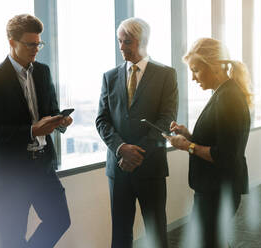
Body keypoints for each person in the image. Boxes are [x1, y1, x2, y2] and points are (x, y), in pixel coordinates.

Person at [0, 14, 72, 248]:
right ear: (12, 41)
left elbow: (50, 109)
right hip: (10, 171)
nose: (35, 49)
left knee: (60, 220)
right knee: (12, 239)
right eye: (30, 44)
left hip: (42, 165)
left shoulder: (43, 72)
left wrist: (60, 120)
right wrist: (32, 130)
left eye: (38, 44)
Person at [96, 17, 178, 248]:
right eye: (119, 41)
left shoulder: (166, 75)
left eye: (127, 42)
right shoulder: (109, 77)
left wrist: (137, 153)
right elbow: (102, 120)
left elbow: (166, 119)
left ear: (142, 42)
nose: (121, 47)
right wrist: (121, 148)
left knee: (156, 232)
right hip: (118, 168)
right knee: (120, 235)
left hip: (150, 166)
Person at [164, 38, 252, 247]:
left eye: (195, 70)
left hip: (218, 190)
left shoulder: (228, 98)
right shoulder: (223, 93)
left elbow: (224, 155)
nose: (193, 78)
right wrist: (190, 136)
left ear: (213, 67)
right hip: (215, 188)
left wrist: (187, 146)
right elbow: (220, 140)